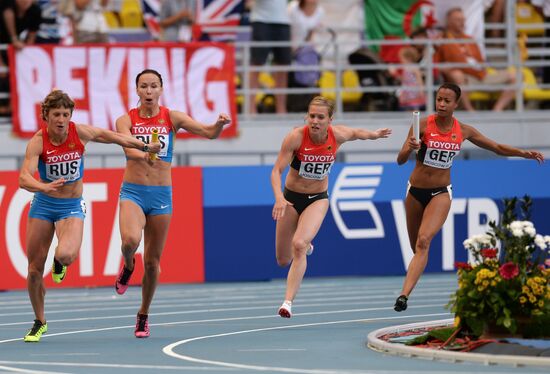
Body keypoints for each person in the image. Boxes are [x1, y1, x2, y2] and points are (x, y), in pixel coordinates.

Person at [19, 89, 161, 342]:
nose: (61, 119)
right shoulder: (38, 142)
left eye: (65, 114)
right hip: (43, 204)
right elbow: (23, 178)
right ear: (46, 117)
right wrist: (43, 187)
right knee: (33, 271)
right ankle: (39, 321)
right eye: (56, 115)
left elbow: (114, 137)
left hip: (71, 206)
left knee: (65, 254)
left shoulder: (80, 133)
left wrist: (143, 145)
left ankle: (60, 264)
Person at [393, 82, 544, 312]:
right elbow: (400, 160)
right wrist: (410, 148)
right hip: (414, 191)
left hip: (441, 192)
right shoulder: (421, 125)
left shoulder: (463, 131)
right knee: (416, 247)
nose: (441, 104)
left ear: (456, 104)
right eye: (439, 99)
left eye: (447, 101)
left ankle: (403, 296)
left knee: (424, 241)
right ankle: (414, 275)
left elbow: (496, 147)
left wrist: (522, 153)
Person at [113, 69, 231, 338]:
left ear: (161, 89)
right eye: (144, 86)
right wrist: (146, 149)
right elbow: (128, 151)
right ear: (137, 91)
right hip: (133, 191)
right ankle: (129, 264)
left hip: (161, 196)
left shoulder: (172, 117)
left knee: (153, 263)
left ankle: (143, 314)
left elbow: (207, 133)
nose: (149, 91)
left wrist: (218, 125)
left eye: (154, 86)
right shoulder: (125, 120)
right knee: (130, 240)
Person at [271, 96, 391, 318]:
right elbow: (276, 171)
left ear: (330, 119)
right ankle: (306, 247)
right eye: (311, 116)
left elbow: (357, 133)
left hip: (318, 198)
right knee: (282, 259)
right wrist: (279, 197)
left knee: (298, 244)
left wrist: (374, 135)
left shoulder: (338, 135)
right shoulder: (295, 138)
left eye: (320, 117)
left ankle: (287, 302)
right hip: (290, 198)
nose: (314, 121)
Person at [435, 7, 515, 112]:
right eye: (458, 20)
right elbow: (435, 64)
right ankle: (470, 111)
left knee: (515, 75)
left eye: (463, 20)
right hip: (465, 79)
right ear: (449, 22)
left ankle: (497, 110)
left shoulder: (469, 39)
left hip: (481, 75)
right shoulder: (442, 40)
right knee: (457, 75)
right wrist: (449, 70)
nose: (462, 23)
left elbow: (481, 61)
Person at [248, 0, 292, 114]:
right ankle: (251, 108)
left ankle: (281, 109)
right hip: (261, 20)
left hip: (283, 20)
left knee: (282, 67)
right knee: (256, 64)